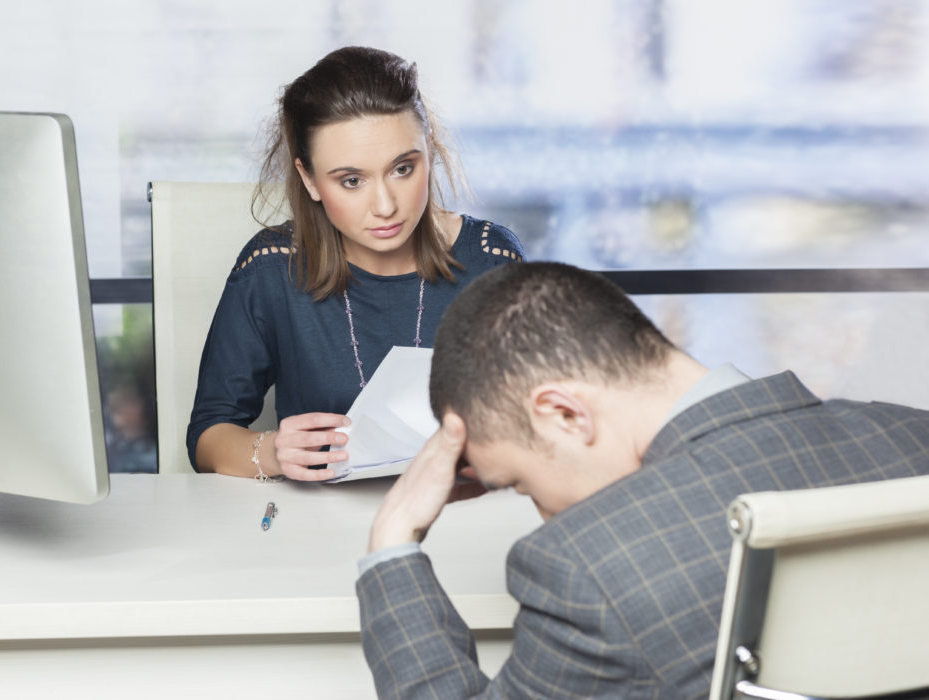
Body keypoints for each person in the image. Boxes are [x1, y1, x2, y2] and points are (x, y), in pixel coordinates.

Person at [357, 261, 929, 699]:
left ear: (564, 413)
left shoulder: (586, 566)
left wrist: (393, 545)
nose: (546, 514)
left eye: (522, 485)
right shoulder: (914, 437)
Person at [187, 46, 524, 480]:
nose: (385, 206)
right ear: (309, 179)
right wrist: (273, 452)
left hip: (461, 516)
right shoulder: (272, 269)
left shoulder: (492, 261)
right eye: (351, 181)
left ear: (431, 152)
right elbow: (207, 437)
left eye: (403, 169)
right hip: (317, 527)